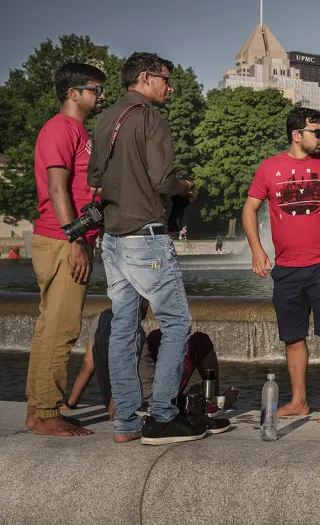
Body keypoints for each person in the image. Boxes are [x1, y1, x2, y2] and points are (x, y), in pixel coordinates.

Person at [88, 52, 201, 445]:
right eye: (166, 80)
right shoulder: (150, 118)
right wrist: (183, 187)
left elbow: (95, 178)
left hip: (113, 238)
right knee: (175, 324)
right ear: (145, 77)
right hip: (145, 235)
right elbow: (161, 179)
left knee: (123, 328)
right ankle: (163, 416)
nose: (170, 88)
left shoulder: (104, 119)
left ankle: (125, 425)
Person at [242, 107, 320, 424]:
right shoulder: (269, 169)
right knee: (293, 338)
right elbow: (249, 209)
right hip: (286, 269)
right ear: (297, 135)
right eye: (317, 132)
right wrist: (257, 250)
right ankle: (299, 401)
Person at [24, 62, 105, 437]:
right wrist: (76, 240)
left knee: (49, 328)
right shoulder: (61, 128)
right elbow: (58, 187)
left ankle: (37, 412)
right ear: (74, 93)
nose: (100, 95)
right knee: (62, 328)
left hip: (62, 237)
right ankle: (47, 412)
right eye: (95, 89)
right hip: (62, 240)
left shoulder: (75, 129)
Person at [64, 306, 237, 425]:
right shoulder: (129, 328)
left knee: (156, 335)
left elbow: (88, 365)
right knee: (200, 340)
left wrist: (71, 404)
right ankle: (213, 402)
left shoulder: (101, 318)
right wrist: (116, 402)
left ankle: (195, 396)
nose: (148, 306)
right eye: (145, 301)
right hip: (149, 399)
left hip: (125, 393)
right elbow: (121, 361)